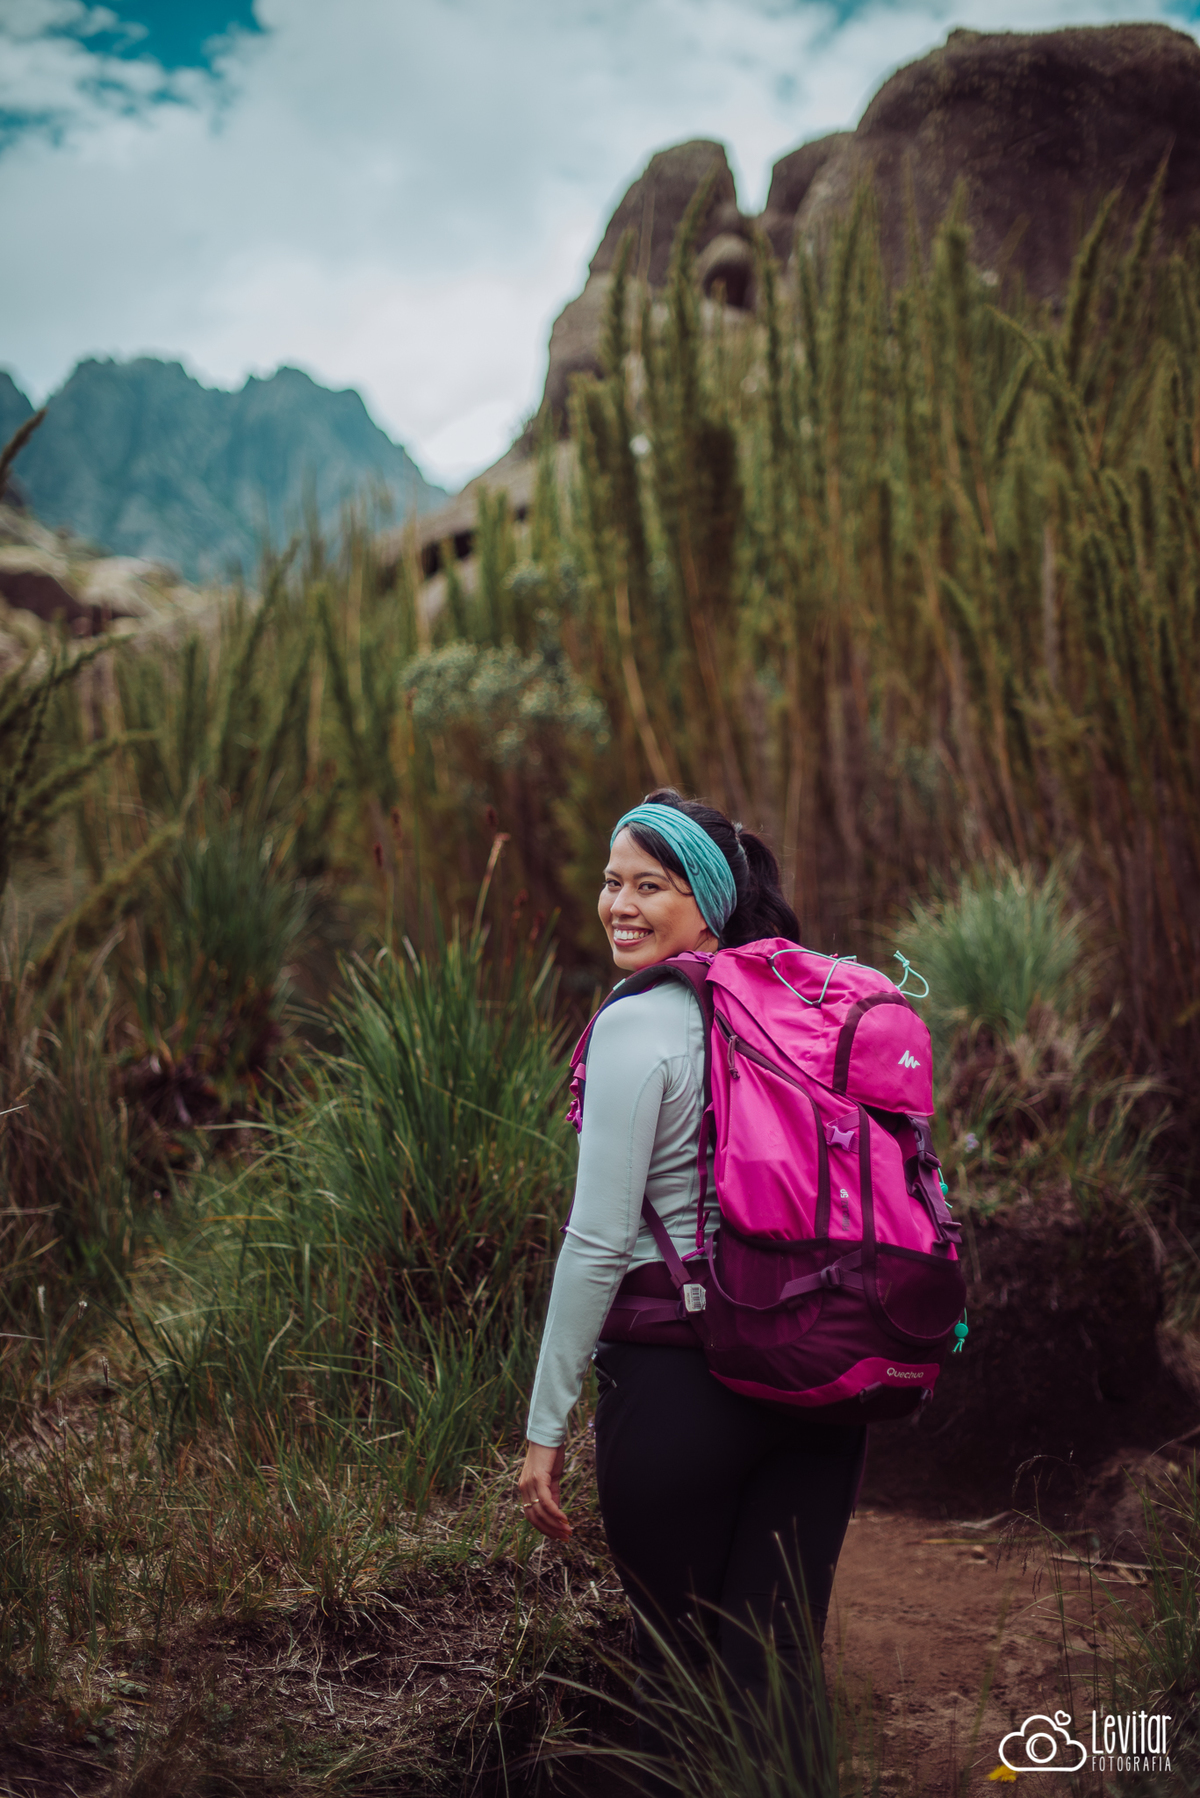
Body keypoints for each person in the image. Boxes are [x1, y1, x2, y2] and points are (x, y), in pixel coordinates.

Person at [517, 788, 865, 1784]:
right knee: (781, 1660)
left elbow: (595, 1241)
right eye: (610, 881)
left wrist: (546, 1423)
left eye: (649, 885)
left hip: (681, 1388)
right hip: (822, 1378)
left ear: (706, 904)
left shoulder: (642, 1027)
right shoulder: (806, 1010)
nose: (618, 903)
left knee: (676, 1669)